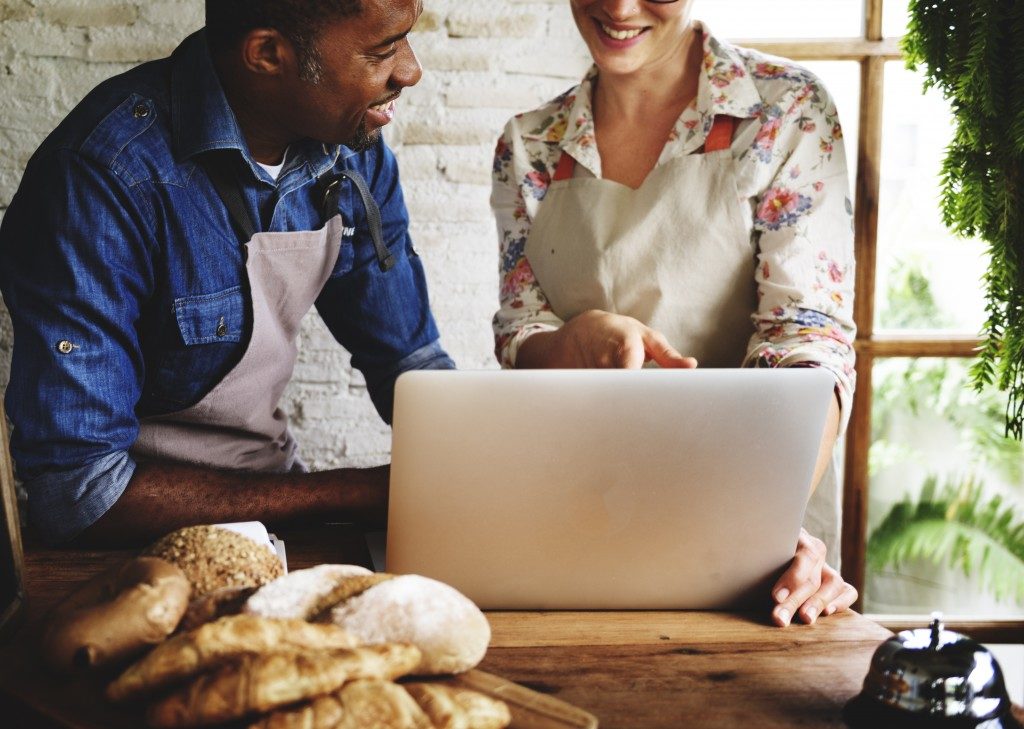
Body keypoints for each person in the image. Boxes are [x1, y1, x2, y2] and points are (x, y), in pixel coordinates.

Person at [0, 0, 453, 547]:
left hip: (281, 509)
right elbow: (79, 493)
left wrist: (478, 464)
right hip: (129, 544)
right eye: (383, 50)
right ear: (267, 53)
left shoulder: (352, 152)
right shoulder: (102, 178)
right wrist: (369, 494)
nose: (411, 70)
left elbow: (407, 359)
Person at [491, 0, 857, 626]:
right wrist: (573, 342)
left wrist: (755, 522)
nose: (619, 7)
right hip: (584, 511)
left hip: (758, 533)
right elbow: (522, 328)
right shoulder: (532, 144)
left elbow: (806, 338)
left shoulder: (786, 112)